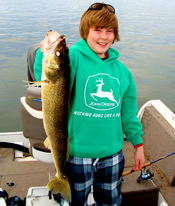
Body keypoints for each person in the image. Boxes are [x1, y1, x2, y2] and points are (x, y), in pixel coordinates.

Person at [37, 2, 145, 206]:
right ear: (86, 31)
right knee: (74, 202)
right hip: (77, 154)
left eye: (109, 31)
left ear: (115, 34)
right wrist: (44, 54)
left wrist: (138, 145)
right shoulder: (74, 58)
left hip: (112, 154)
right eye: (97, 30)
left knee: (110, 202)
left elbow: (129, 115)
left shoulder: (124, 74)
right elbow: (48, 77)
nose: (104, 37)